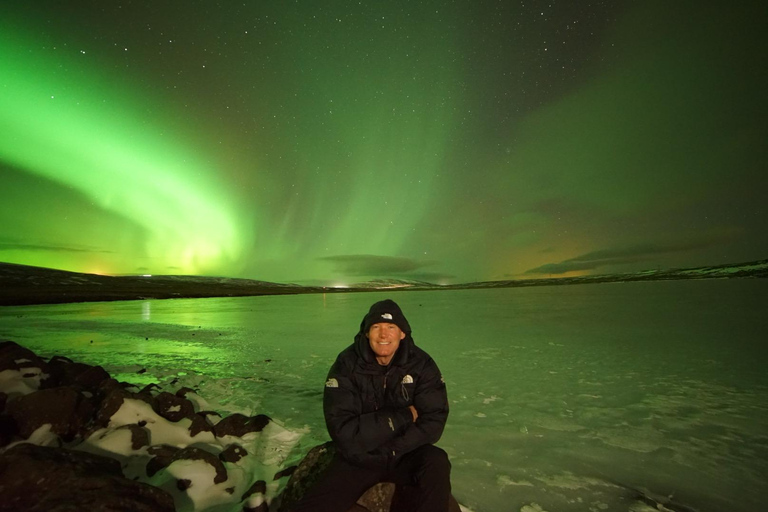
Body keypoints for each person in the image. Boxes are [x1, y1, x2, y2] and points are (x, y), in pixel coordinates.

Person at [288, 299, 451, 512]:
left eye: (391, 327)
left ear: (403, 333)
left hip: (405, 454)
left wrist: (394, 448)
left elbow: (434, 421)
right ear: (366, 333)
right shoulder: (347, 364)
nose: (384, 335)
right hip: (360, 457)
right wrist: (403, 416)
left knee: (436, 462)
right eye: (376, 327)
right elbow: (343, 430)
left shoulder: (421, 364)